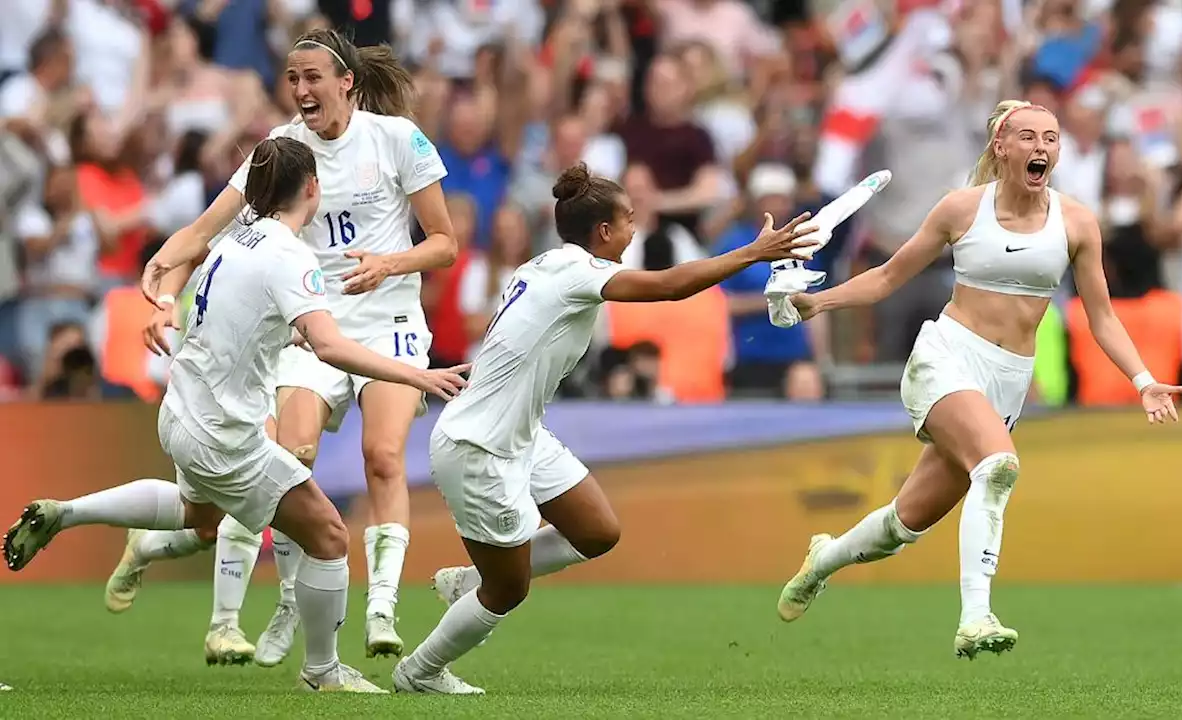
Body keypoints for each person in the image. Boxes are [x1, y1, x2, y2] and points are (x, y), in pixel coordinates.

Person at [3, 137, 469, 692]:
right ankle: (322, 671)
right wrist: (416, 373)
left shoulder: (235, 235)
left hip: (180, 411)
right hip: (224, 434)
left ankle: (67, 512)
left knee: (197, 516)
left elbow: (242, 302)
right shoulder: (290, 257)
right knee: (327, 534)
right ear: (313, 190)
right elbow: (331, 347)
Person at [774, 100, 1182, 659]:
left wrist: (1143, 380)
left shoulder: (1077, 222)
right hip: (947, 358)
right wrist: (817, 304)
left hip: (1008, 382)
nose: (1041, 147)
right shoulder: (962, 209)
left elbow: (1103, 318)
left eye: (1051, 138)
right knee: (998, 467)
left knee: (904, 524)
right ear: (1002, 147)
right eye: (1028, 137)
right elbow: (888, 276)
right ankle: (975, 617)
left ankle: (823, 560)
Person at [391, 162, 817, 695]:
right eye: (629, 221)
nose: (635, 230)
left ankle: (473, 580)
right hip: (479, 446)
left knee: (596, 531)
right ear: (603, 233)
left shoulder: (544, 264)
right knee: (509, 591)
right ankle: (419, 671)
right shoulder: (578, 274)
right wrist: (753, 253)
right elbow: (667, 287)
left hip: (519, 434)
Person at [111, 29, 458, 665]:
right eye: (292, 79)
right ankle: (289, 601)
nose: (300, 91)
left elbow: (445, 243)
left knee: (383, 456)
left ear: (347, 81)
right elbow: (207, 227)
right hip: (310, 324)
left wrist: (389, 262)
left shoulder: (397, 139)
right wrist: (162, 273)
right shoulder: (283, 150)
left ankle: (382, 606)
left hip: (390, 321)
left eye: (312, 78)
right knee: (288, 460)